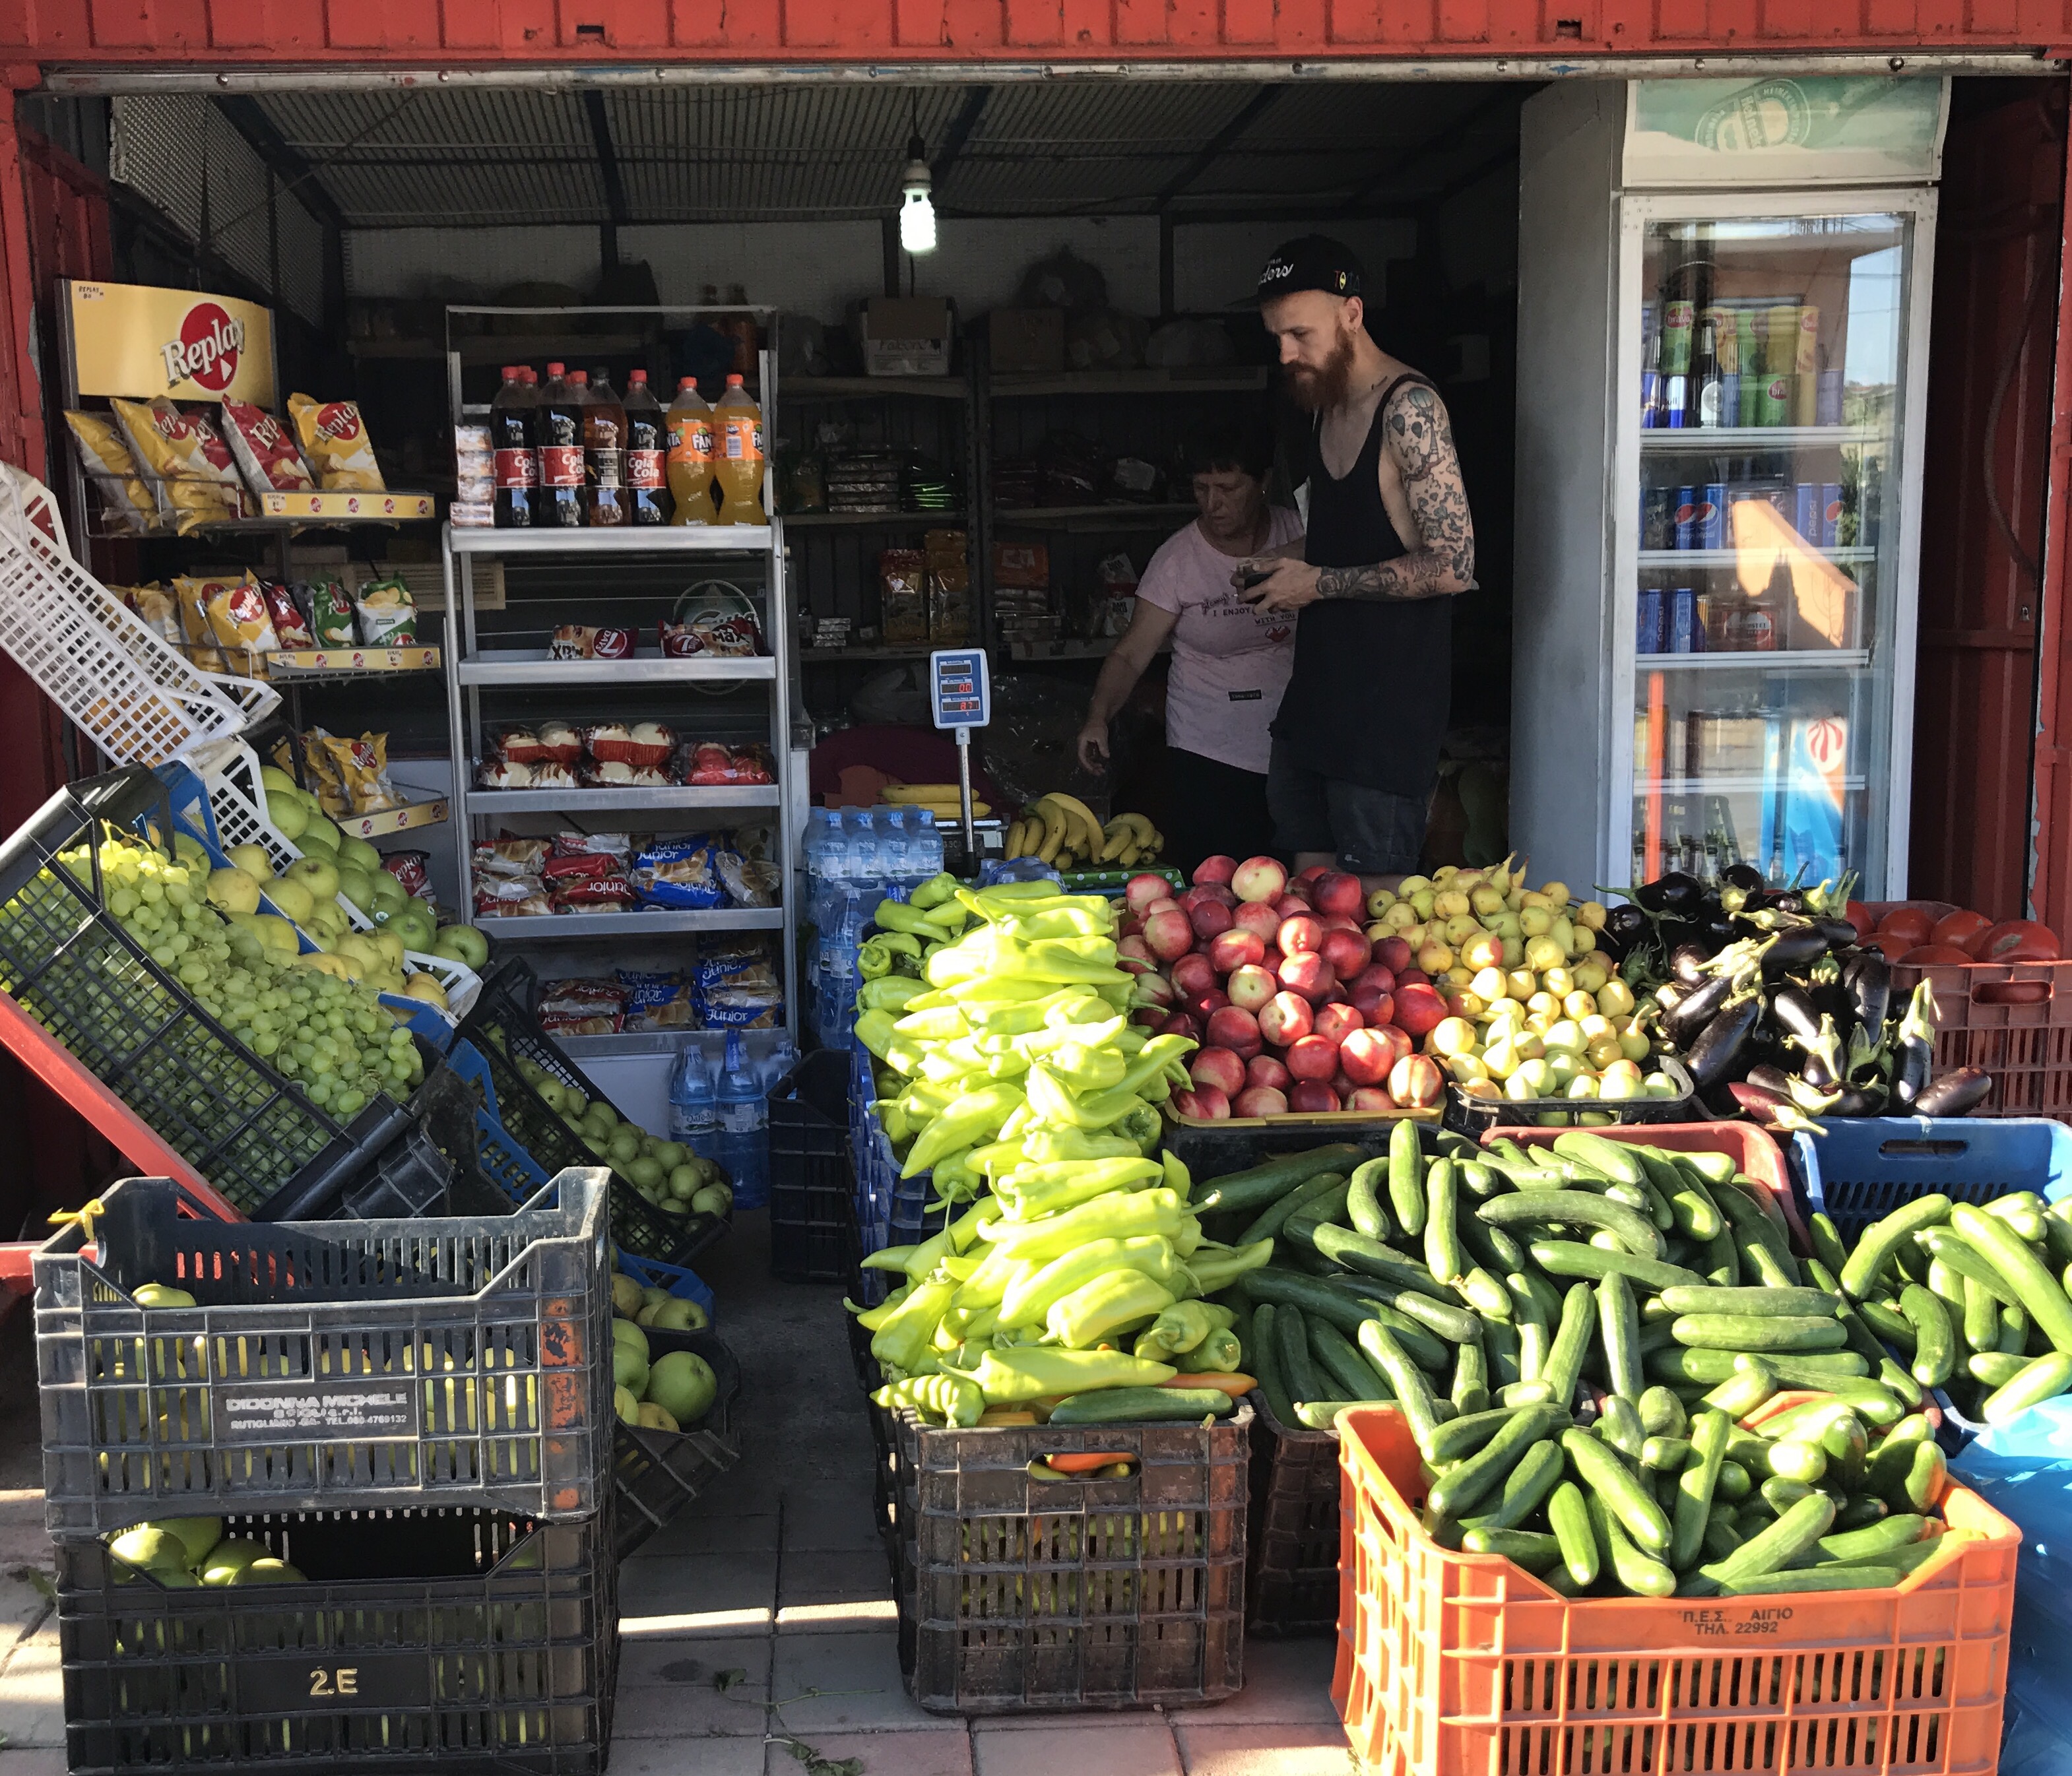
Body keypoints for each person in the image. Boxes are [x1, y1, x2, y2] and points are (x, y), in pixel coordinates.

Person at [1235, 236, 1477, 887]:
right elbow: (1341, 537)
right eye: (1275, 337)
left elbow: (1454, 564)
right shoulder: (1323, 409)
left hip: (1384, 718)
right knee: (1306, 906)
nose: (1285, 354)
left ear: (1351, 314)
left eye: (1299, 334)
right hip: (1315, 706)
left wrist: (1315, 584)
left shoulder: (1410, 410)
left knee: (1372, 914)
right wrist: (1274, 564)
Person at [1075, 419, 1302, 873]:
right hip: (1208, 747)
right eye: (1201, 489)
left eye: (1228, 488)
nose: (1212, 504)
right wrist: (1098, 717)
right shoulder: (1178, 560)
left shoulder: (1299, 537)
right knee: (1216, 879)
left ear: (1264, 484)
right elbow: (1130, 653)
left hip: (1295, 741)